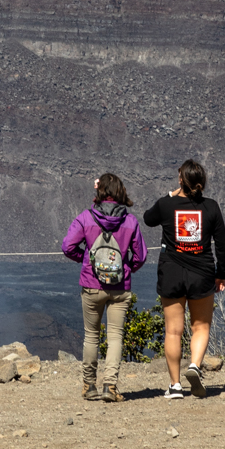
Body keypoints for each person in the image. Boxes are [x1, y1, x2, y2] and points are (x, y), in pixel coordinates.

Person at [143, 159, 225, 400]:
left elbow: (148, 218)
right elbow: (221, 245)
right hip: (202, 273)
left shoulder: (166, 204)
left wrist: (170, 194)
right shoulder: (211, 207)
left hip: (171, 272)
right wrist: (221, 273)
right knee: (200, 326)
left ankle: (175, 386)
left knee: (173, 331)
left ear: (181, 179)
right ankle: (194, 366)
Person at [61, 172, 148, 402]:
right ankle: (110, 387)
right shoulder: (130, 221)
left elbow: (68, 246)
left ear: (100, 191)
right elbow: (141, 256)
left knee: (91, 336)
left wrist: (86, 259)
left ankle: (89, 386)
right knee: (116, 337)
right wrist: (126, 268)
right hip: (120, 288)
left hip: (91, 284)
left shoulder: (86, 218)